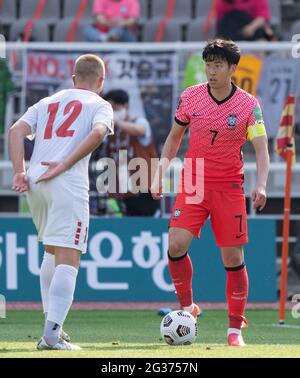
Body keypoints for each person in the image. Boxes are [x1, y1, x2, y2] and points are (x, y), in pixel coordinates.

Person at [151, 39, 270, 346]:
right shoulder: (190, 97)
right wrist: (159, 173)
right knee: (175, 244)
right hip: (194, 181)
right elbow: (174, 138)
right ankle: (188, 307)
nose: (212, 71)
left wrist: (261, 183)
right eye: (208, 64)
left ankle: (234, 330)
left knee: (232, 256)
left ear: (232, 68)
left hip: (229, 185)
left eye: (218, 65)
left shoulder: (248, 104)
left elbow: (261, 148)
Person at [8, 54, 114, 350]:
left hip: (36, 181)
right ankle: (52, 336)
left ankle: (52, 327)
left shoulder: (47, 102)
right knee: (69, 257)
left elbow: (15, 130)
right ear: (101, 82)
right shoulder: (99, 104)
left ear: (73, 78)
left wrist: (20, 171)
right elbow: (97, 133)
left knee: (52, 253)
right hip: (65, 181)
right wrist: (66, 164)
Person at [103, 89, 160, 216]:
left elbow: (139, 130)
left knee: (146, 228)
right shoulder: (111, 133)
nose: (112, 113)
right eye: (108, 109)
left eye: (114, 108)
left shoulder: (139, 122)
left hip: (145, 191)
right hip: (124, 192)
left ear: (125, 106)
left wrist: (117, 122)